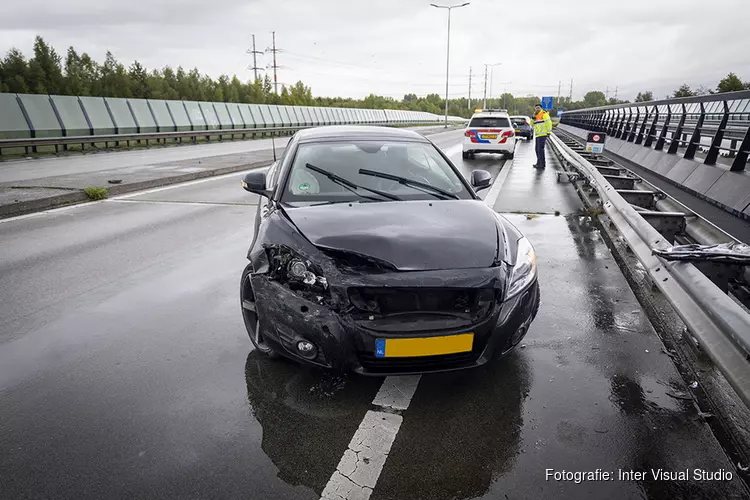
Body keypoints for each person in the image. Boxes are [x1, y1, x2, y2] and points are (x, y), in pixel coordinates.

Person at [532, 103, 553, 169]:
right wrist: (533, 117)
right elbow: (531, 124)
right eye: (536, 108)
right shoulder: (536, 115)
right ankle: (539, 163)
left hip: (543, 135)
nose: (537, 109)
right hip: (538, 135)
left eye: (538, 108)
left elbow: (549, 123)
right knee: (537, 150)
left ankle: (541, 164)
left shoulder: (544, 114)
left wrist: (548, 132)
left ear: (541, 108)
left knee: (540, 150)